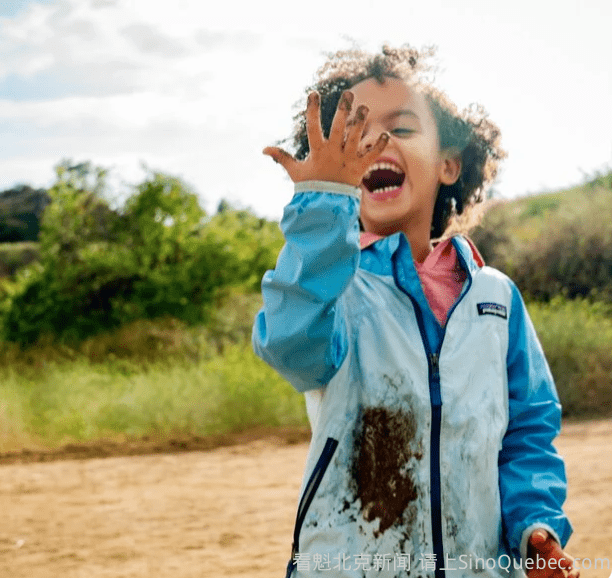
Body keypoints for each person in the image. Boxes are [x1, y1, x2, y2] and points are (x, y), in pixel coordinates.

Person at [252, 45, 577, 578]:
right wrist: (320, 203)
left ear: (449, 163)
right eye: (355, 133)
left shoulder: (496, 298)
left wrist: (535, 525)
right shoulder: (335, 286)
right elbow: (291, 349)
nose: (377, 142)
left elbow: (527, 430)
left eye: (400, 129)